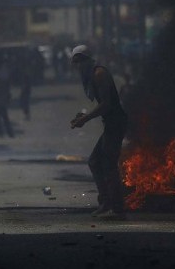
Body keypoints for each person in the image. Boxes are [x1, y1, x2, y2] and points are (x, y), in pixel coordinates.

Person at [70, 45, 127, 219]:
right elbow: (99, 104)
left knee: (108, 164)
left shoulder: (99, 74)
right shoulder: (91, 76)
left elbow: (106, 104)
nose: (78, 66)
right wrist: (83, 115)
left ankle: (116, 207)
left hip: (116, 123)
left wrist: (85, 120)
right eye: (76, 63)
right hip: (111, 123)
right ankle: (106, 202)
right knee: (95, 162)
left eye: (80, 61)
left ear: (87, 60)